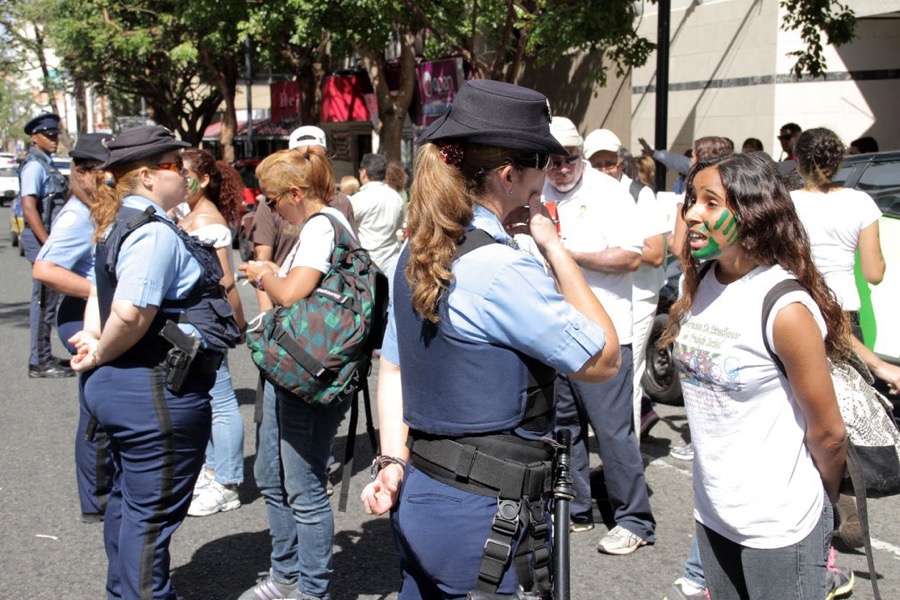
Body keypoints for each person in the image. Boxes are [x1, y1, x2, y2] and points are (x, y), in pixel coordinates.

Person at [360, 79, 621, 598]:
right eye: (540, 166)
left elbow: (391, 367)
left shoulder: (413, 254)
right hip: (485, 514)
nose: (543, 184)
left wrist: (392, 459)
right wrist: (552, 244)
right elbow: (603, 359)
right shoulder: (501, 269)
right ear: (508, 174)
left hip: (422, 494)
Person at [660, 152, 849, 600]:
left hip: (780, 524)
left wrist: (816, 504)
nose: (691, 214)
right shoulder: (703, 282)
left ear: (751, 214)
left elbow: (829, 434)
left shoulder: (785, 308)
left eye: (710, 202)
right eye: (692, 200)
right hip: (714, 514)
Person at [69, 125, 240, 600]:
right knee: (151, 516)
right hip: (153, 391)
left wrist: (95, 341)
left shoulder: (115, 222)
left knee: (129, 504)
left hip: (126, 388)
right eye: (174, 165)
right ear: (146, 176)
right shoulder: (152, 233)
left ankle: (124, 592)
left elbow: (100, 298)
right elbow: (129, 312)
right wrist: (101, 348)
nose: (185, 173)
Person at [239, 132, 358, 600]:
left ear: (294, 193)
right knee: (273, 474)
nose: (271, 211)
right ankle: (288, 577)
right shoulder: (320, 226)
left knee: (304, 485)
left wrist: (263, 273)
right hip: (298, 364)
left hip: (311, 370)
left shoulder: (321, 227)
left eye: (273, 201)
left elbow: (290, 293)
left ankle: (310, 590)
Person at [549, 125, 656, 553]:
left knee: (613, 433)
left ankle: (634, 519)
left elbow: (632, 256)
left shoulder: (609, 192)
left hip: (604, 332)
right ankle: (575, 510)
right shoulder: (540, 188)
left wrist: (567, 254)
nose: (561, 168)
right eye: (552, 160)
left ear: (583, 154)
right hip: (554, 331)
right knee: (564, 430)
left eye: (570, 158)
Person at [32, 133, 113, 521]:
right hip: (80, 315)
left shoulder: (95, 206)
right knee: (96, 407)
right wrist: (100, 291)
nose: (109, 179)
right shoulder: (76, 215)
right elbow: (44, 269)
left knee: (103, 404)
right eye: (102, 172)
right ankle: (96, 499)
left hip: (93, 313)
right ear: (80, 172)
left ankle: (103, 491)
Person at [584, 128, 670, 445]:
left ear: (621, 162)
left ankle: (624, 458)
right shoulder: (583, 195)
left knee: (627, 376)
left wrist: (608, 255)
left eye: (610, 162)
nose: (605, 170)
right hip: (600, 295)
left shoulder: (639, 195)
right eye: (597, 164)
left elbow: (656, 253)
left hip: (639, 295)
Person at [175, 148, 248, 517]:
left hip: (207, 322)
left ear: (203, 179)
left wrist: (240, 325)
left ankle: (228, 481)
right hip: (190, 321)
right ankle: (212, 470)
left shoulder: (211, 223)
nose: (176, 178)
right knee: (203, 397)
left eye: (182, 171)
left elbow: (227, 281)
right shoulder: (187, 216)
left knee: (220, 401)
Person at [20, 112, 74, 378]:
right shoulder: (34, 166)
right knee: (43, 301)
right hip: (43, 240)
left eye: (55, 135)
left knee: (49, 301)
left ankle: (43, 355)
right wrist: (47, 244)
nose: (54, 140)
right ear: (34, 137)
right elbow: (29, 208)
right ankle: (39, 362)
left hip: (50, 240)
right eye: (49, 136)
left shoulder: (46, 163)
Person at [351, 153, 404, 272]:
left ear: (363, 172)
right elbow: (399, 226)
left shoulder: (359, 199)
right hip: (392, 262)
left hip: (367, 264)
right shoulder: (396, 198)